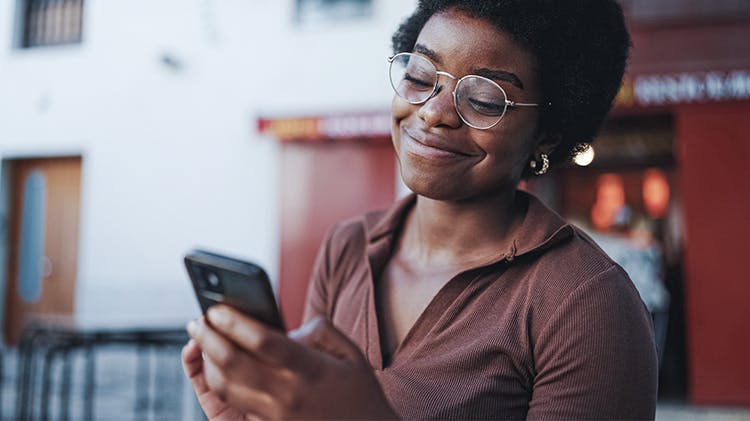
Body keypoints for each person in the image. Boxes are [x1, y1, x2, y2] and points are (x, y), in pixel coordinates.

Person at [182, 0, 658, 419]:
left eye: (482, 99)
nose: (433, 111)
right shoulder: (347, 248)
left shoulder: (586, 304)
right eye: (420, 77)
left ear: (547, 133)